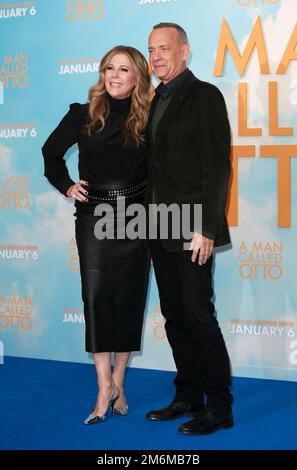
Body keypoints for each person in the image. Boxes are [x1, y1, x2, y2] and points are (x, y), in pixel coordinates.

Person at [42, 46, 151, 425]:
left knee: (130, 298)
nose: (115, 76)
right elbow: (50, 153)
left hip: (138, 215)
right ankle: (103, 386)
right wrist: (67, 186)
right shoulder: (83, 114)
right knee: (98, 297)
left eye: (124, 69)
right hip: (94, 216)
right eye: (109, 68)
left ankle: (120, 382)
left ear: (138, 76)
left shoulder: (150, 115)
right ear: (102, 72)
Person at [145, 23, 233, 435]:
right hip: (158, 226)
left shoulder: (204, 96)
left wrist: (207, 229)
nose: (157, 56)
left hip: (193, 228)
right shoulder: (153, 99)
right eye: (151, 50)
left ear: (185, 51)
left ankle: (219, 406)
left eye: (165, 48)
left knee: (199, 315)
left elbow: (217, 168)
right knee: (175, 315)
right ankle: (188, 395)